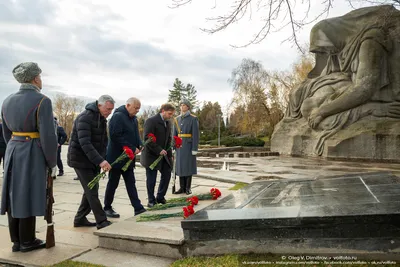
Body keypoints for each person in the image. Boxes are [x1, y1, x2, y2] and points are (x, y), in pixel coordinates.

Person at [0, 62, 58, 252]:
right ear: (34, 79)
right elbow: (48, 136)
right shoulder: (42, 101)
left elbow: (6, 133)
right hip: (32, 151)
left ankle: (17, 240)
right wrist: (52, 161)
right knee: (27, 194)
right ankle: (27, 240)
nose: (41, 80)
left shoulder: (7, 100)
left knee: (13, 194)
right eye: (40, 76)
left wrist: (14, 147)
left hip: (13, 149)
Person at [67, 95, 114, 230]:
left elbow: (103, 141)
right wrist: (100, 161)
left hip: (92, 160)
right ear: (99, 105)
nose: (109, 112)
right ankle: (101, 221)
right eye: (108, 109)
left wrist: (103, 158)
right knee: (92, 190)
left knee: (91, 189)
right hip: (80, 160)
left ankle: (80, 218)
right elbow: (85, 143)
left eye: (111, 110)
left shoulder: (101, 119)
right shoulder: (85, 117)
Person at [103, 97, 146, 218]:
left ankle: (138, 208)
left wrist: (140, 144)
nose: (137, 110)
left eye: (139, 108)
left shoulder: (134, 119)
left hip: (128, 158)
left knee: (131, 182)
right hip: (117, 157)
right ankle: (107, 207)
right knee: (113, 183)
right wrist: (131, 148)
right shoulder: (118, 116)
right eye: (136, 108)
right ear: (128, 105)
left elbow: (136, 134)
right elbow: (115, 136)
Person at [140, 103, 175, 207]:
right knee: (152, 179)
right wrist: (158, 150)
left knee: (167, 173)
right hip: (151, 155)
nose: (170, 116)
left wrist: (169, 155)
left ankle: (160, 197)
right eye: (169, 114)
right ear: (163, 111)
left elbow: (168, 139)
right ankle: (151, 200)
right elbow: (147, 138)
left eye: (172, 114)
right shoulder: (151, 121)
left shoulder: (168, 123)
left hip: (164, 155)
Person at [173, 100, 199, 195]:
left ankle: (188, 188)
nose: (182, 107)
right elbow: (174, 134)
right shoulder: (177, 119)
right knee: (180, 167)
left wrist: (194, 148)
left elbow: (195, 135)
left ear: (188, 107)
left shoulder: (193, 118)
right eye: (181, 105)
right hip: (179, 146)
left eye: (184, 105)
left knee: (188, 166)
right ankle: (182, 188)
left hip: (188, 146)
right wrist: (173, 146)